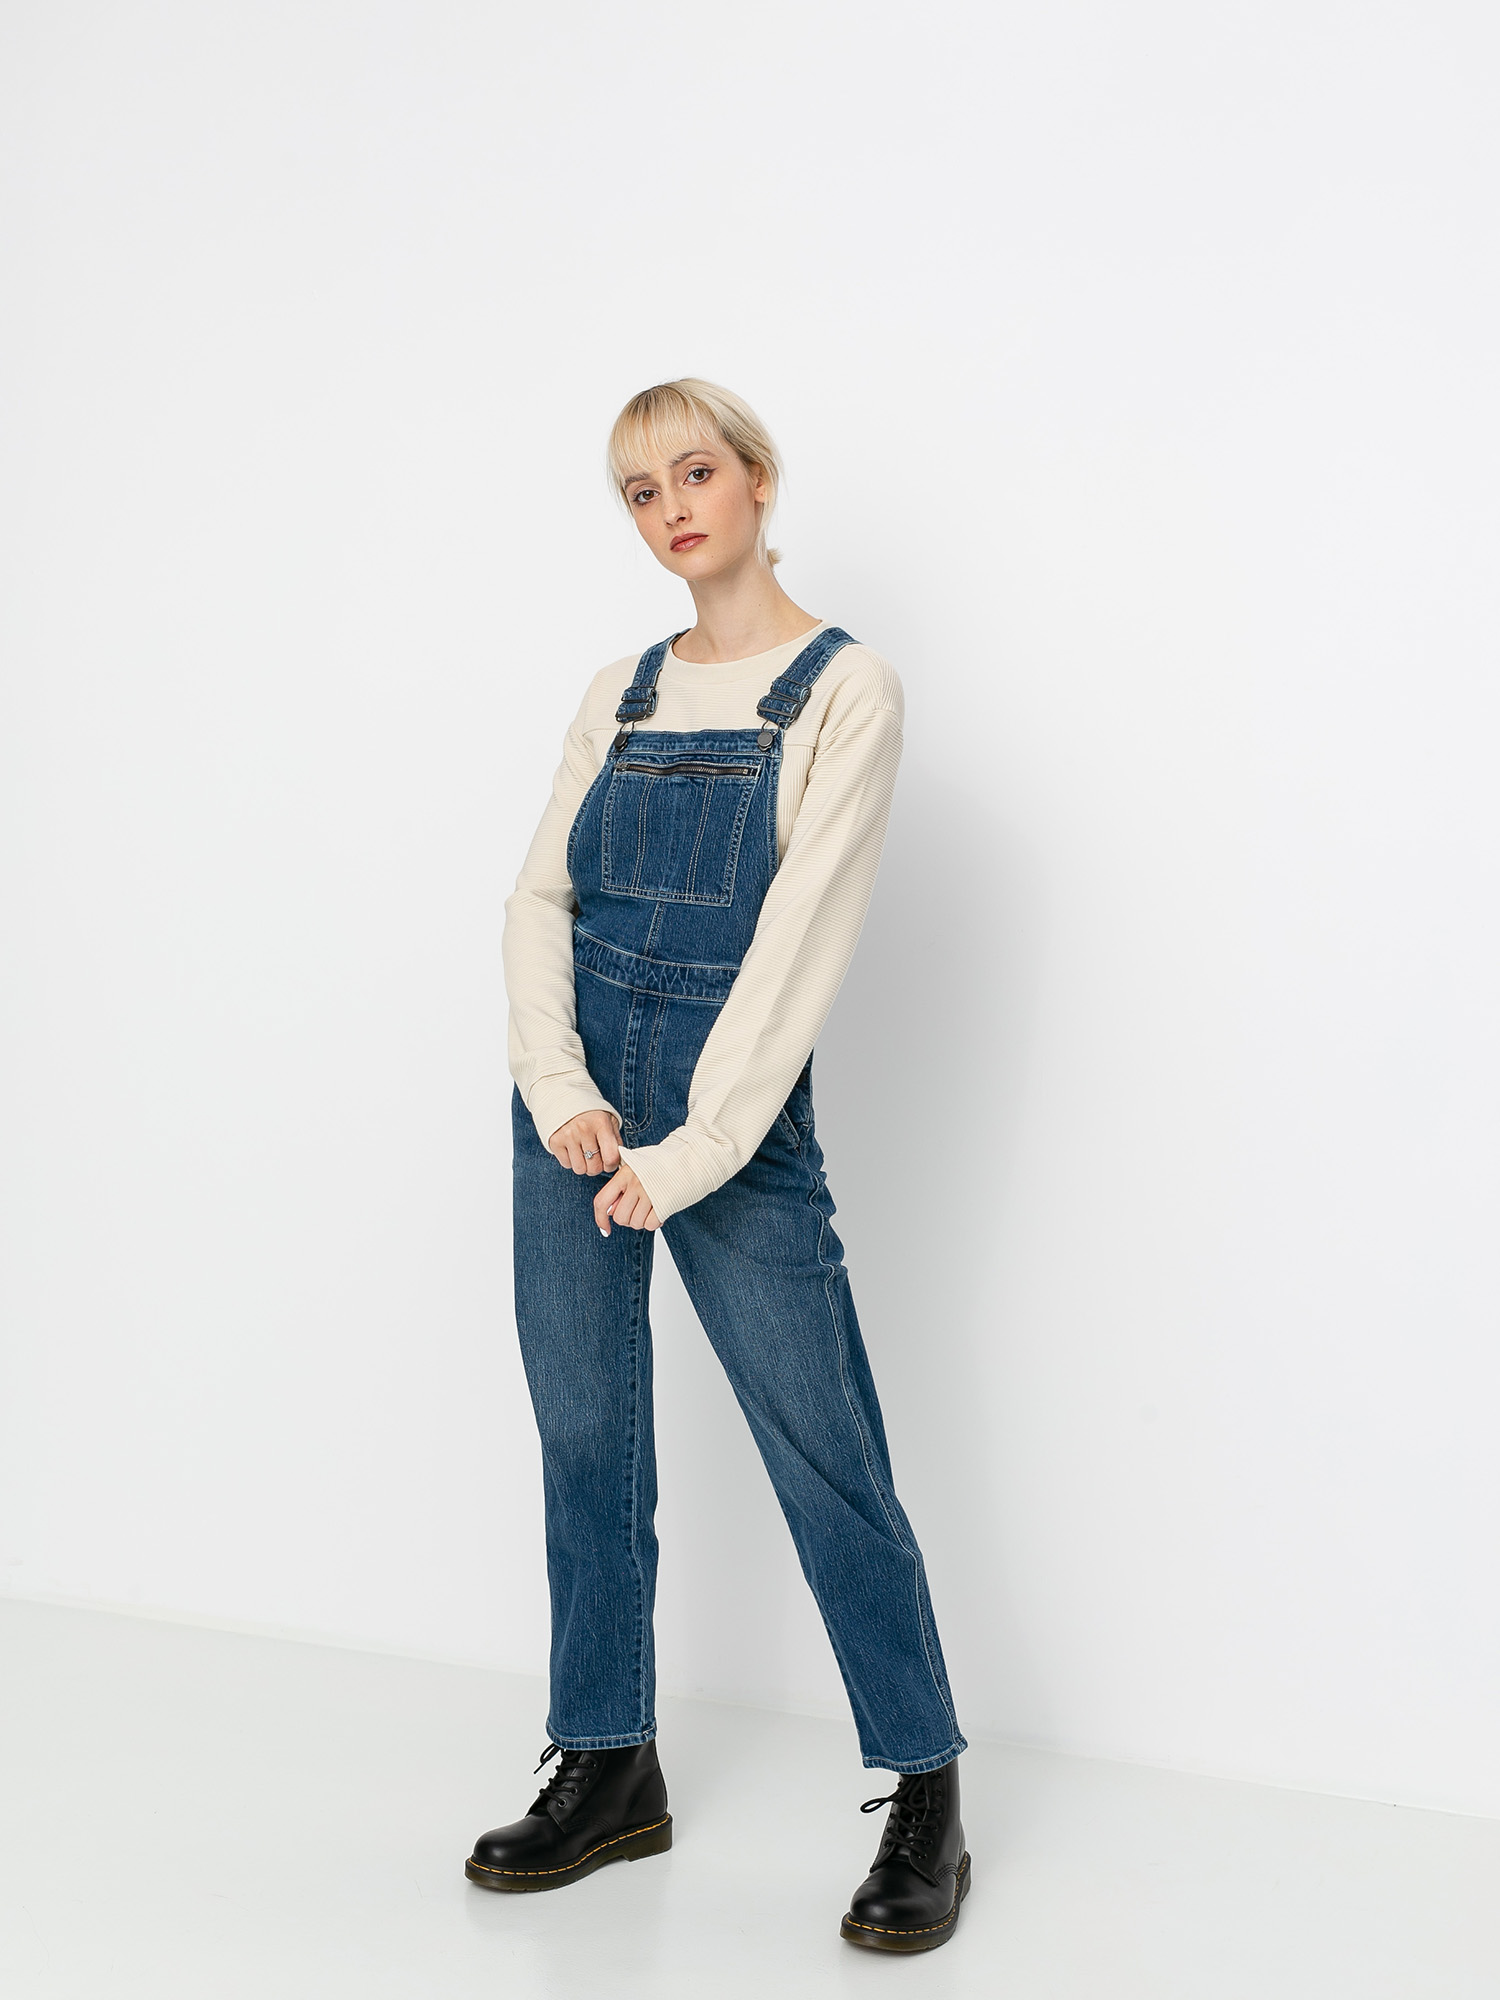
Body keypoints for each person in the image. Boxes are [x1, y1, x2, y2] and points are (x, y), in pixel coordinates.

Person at [465, 379, 970, 1952]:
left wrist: (689, 1155)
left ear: (757, 479)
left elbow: (797, 950)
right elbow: (538, 903)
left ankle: (925, 1790)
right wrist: (559, 1090)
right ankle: (607, 1762)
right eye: (640, 491)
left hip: (725, 1114)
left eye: (694, 473)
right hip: (573, 1108)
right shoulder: (619, 691)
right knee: (586, 1438)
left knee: (826, 1449)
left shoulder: (842, 690)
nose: (671, 508)